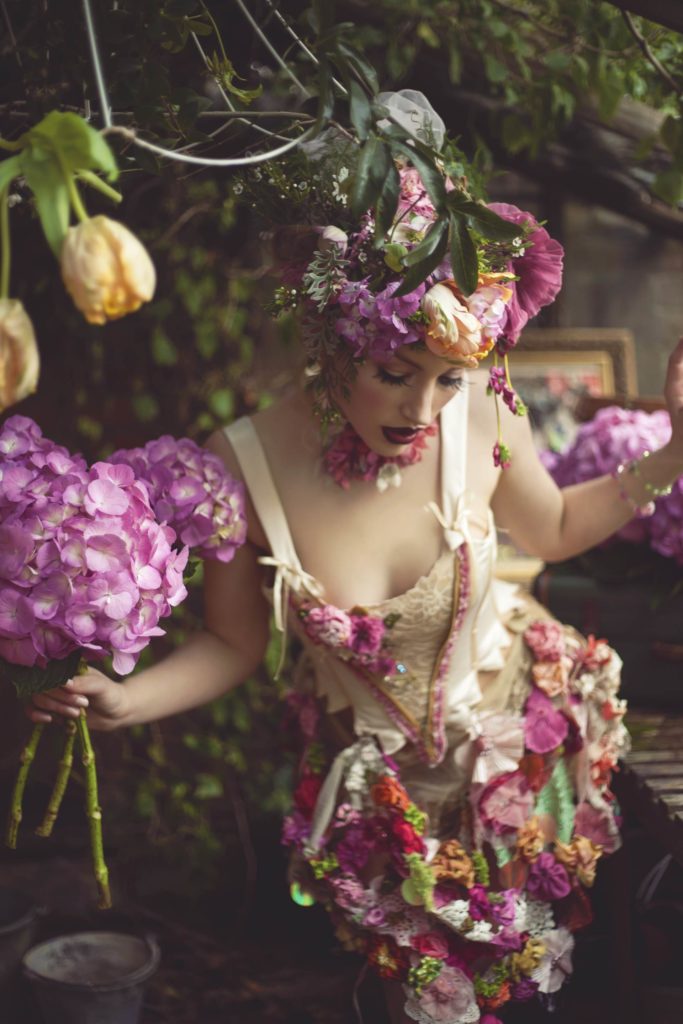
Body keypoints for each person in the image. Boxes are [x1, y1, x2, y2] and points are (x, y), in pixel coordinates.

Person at [27, 92, 683, 1024]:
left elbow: (557, 533)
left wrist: (672, 451)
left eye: (447, 377)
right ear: (332, 336)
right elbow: (234, 644)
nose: (422, 410)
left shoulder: (482, 409)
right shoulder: (239, 462)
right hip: (373, 801)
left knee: (547, 993)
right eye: (392, 372)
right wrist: (128, 699)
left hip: (518, 763)